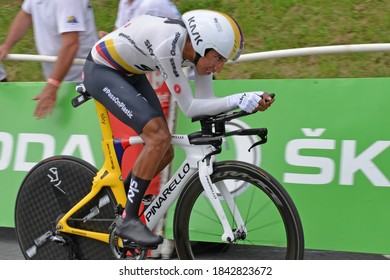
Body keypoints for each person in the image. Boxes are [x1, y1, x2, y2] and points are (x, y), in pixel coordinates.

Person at [82, 9, 275, 249]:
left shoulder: (197, 53)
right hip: (102, 71)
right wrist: (238, 99)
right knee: (158, 137)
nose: (219, 67)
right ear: (203, 45)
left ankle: (121, 198)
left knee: (165, 151)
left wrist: (251, 103)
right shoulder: (169, 44)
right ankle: (127, 220)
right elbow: (192, 108)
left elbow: (205, 105)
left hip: (129, 73)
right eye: (219, 59)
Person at [0, 0, 98, 119]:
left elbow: (71, 45)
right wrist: (6, 46)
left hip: (84, 80)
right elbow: (25, 15)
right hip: (61, 78)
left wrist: (52, 85)